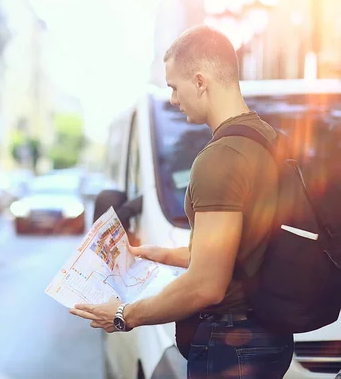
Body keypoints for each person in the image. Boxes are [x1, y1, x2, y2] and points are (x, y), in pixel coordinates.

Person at [69, 25, 294, 378]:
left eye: (175, 87)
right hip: (268, 337)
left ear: (201, 81)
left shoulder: (220, 158)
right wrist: (163, 255)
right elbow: (244, 247)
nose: (173, 99)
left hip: (231, 344)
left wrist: (122, 316)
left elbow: (206, 284)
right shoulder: (268, 140)